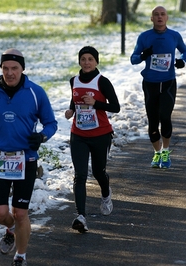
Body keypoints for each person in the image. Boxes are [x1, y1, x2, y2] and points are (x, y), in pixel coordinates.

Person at [0, 48, 58, 266]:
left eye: (14, 68)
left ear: (23, 68)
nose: (10, 72)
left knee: (21, 213)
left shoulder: (35, 92)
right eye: (5, 68)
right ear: (1, 68)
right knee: (0, 213)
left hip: (26, 159)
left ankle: (20, 255)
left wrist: (42, 136)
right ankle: (11, 228)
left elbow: (51, 123)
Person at [65, 46, 120, 233]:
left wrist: (96, 103)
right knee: (79, 175)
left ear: (96, 61)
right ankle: (81, 216)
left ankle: (106, 193)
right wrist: (71, 110)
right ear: (79, 61)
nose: (86, 62)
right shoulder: (74, 80)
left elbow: (116, 107)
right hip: (78, 134)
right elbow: (74, 100)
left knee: (98, 172)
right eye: (83, 59)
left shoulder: (102, 82)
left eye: (90, 59)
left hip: (100, 135)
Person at [130, 5, 186, 169]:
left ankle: (166, 151)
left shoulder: (174, 36)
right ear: (151, 18)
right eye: (156, 15)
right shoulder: (144, 37)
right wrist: (143, 55)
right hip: (150, 83)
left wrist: (182, 61)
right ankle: (157, 153)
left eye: (162, 14)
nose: (159, 17)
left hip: (168, 82)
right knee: (153, 120)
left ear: (167, 17)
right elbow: (133, 59)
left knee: (165, 116)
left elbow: (185, 51)